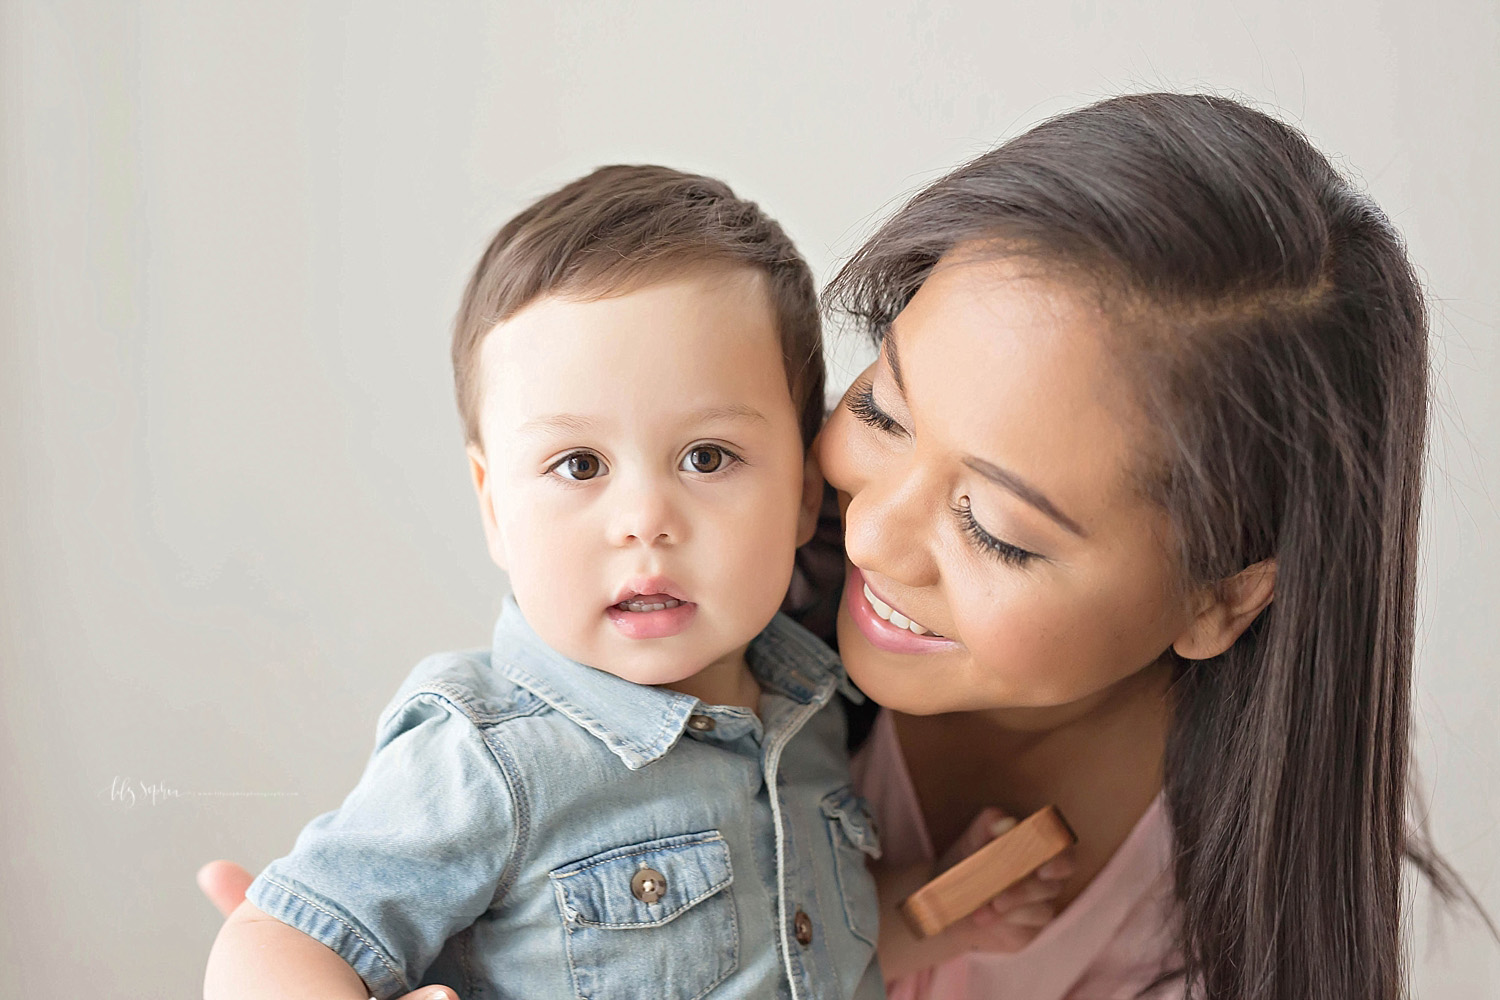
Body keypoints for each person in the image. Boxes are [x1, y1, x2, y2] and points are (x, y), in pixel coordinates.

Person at [203, 93, 1468, 999]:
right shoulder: (668, 666)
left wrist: (923, 916)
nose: (868, 527)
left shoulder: (1223, 916)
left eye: (998, 528)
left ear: (1222, 597)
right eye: (880, 408)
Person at [202, 164, 1056, 1000]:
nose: (645, 519)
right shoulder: (487, 757)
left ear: (801, 493)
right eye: (579, 464)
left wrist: (942, 913)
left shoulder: (810, 713)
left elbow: (797, 942)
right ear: (495, 506)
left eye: (706, 457)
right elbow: (276, 938)